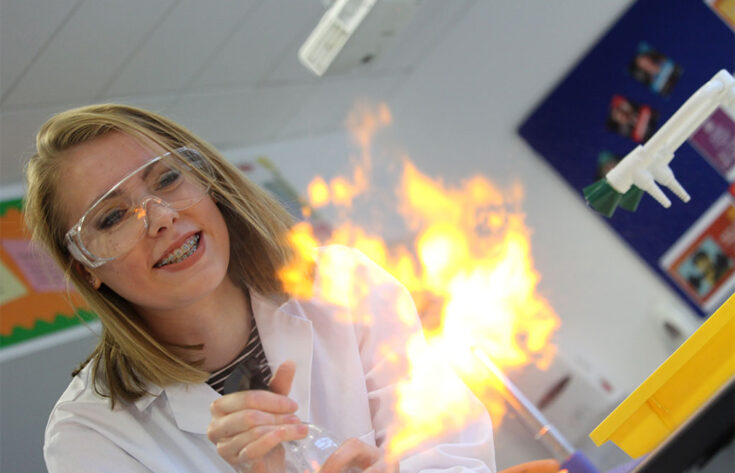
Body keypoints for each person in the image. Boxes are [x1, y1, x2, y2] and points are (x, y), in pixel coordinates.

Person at [25, 104, 496, 473]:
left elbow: (453, 447)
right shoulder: (90, 434)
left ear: (207, 180)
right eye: (113, 217)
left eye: (167, 179)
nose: (162, 217)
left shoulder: (340, 285)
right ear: (87, 268)